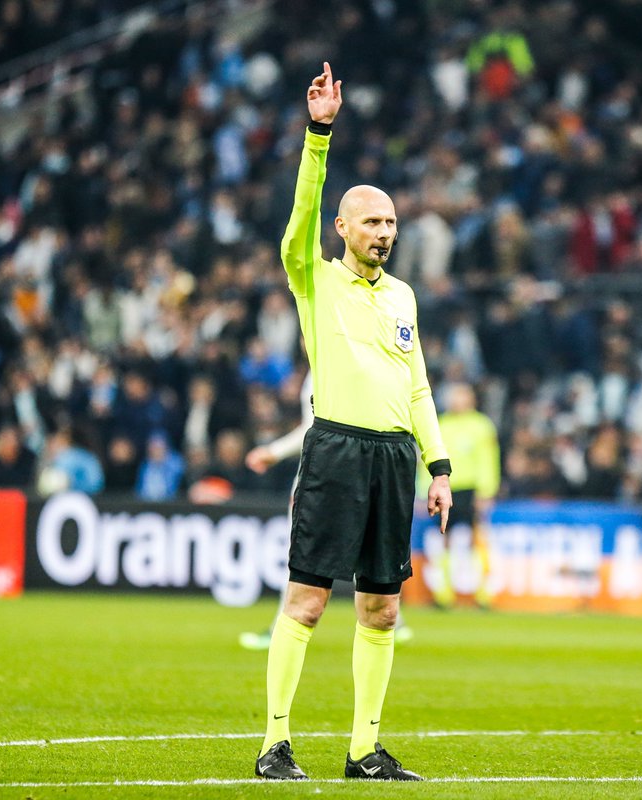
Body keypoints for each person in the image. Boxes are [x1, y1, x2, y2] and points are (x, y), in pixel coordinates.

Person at [254, 63, 452, 783]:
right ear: (342, 228)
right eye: (372, 221)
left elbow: (418, 383)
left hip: (394, 458)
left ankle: (364, 750)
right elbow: (299, 217)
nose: (385, 232)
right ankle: (275, 743)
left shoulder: (401, 297)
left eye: (392, 222)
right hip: (336, 450)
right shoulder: (312, 274)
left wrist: (439, 466)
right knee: (307, 600)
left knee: (380, 611)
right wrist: (319, 137)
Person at [239, 371, 415, 650]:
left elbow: (314, 428)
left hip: (323, 474)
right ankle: (394, 621)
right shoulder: (363, 359)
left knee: (301, 554)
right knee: (371, 552)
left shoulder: (325, 364)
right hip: (367, 469)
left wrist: (274, 450)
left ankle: (280, 628)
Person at [420, 382, 500, 608]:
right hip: (446, 488)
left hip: (470, 489)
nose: (457, 401)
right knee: (443, 538)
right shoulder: (441, 424)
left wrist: (486, 491)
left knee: (477, 538)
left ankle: (484, 593)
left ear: (471, 399)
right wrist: (424, 489)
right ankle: (444, 593)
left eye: (462, 396)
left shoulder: (481, 426)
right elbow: (428, 458)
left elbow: (488, 460)